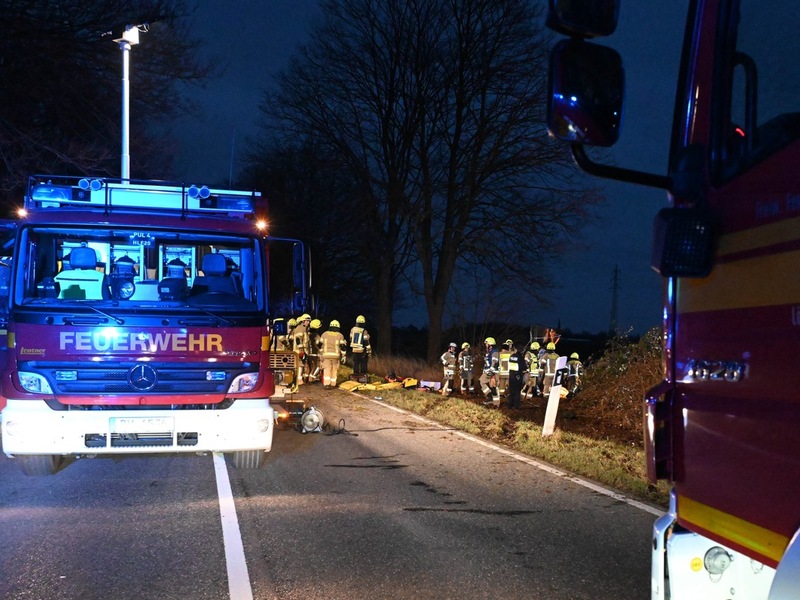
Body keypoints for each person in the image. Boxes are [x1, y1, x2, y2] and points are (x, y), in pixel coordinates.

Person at [319, 320, 348, 388]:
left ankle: (327, 384)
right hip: (336, 356)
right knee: (334, 370)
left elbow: (320, 344)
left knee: (327, 369)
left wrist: (321, 353)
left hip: (326, 355)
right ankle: (333, 384)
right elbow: (343, 347)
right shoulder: (340, 335)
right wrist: (344, 356)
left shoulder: (324, 334)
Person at [479, 337, 501, 406]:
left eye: (486, 344)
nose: (486, 345)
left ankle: (490, 396)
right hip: (491, 371)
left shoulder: (494, 352)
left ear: (490, 344)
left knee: (481, 381)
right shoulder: (490, 352)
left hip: (492, 371)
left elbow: (495, 362)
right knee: (493, 386)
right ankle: (496, 403)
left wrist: (491, 371)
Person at [506, 343, 527, 409]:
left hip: (511, 375)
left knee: (511, 390)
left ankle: (510, 405)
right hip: (517, 375)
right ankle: (516, 406)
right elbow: (523, 367)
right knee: (517, 391)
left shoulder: (512, 356)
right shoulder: (520, 357)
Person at [293, 313, 312, 383]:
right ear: (303, 321)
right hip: (299, 351)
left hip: (303, 351)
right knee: (299, 365)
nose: (309, 322)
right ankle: (299, 380)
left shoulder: (304, 329)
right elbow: (298, 339)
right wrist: (301, 350)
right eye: (307, 321)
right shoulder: (300, 328)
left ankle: (300, 379)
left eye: (309, 321)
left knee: (302, 365)